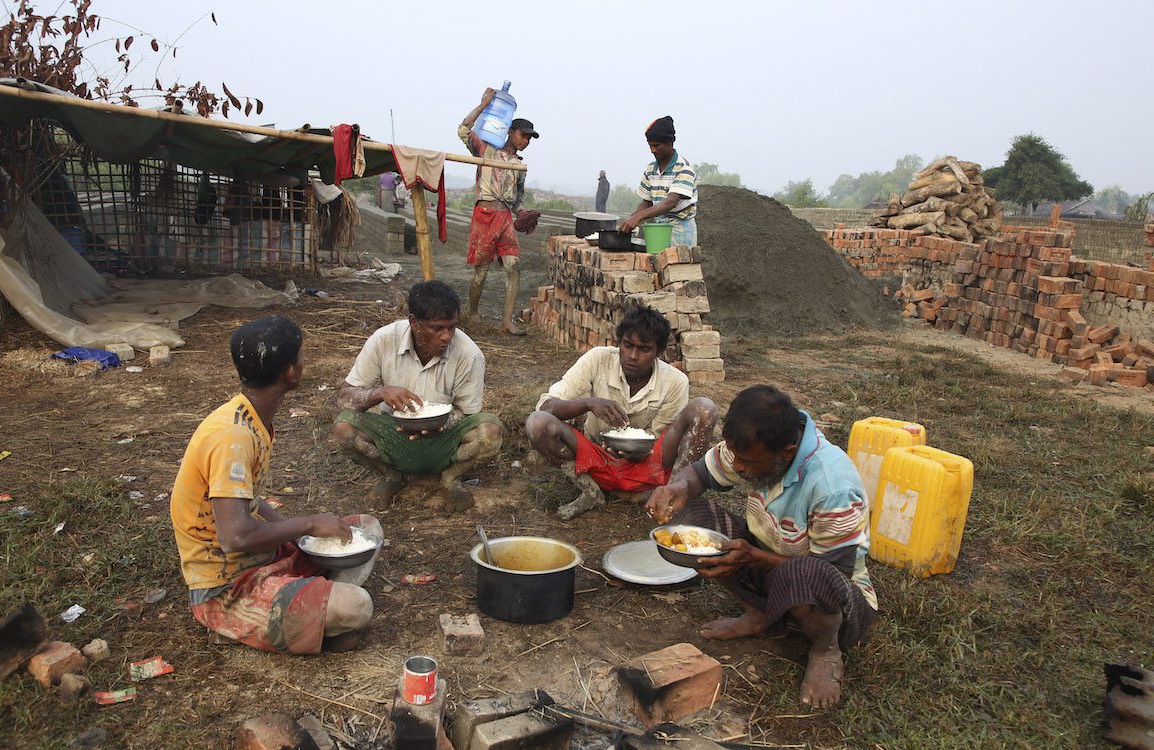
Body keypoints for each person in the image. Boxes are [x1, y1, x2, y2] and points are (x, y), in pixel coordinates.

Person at [644, 385, 878, 710]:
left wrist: (756, 557)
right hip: (772, 569)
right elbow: (700, 473)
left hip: (834, 603)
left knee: (802, 574)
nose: (737, 467)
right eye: (735, 457)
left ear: (787, 452)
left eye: (747, 462)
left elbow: (832, 574)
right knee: (690, 516)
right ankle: (758, 616)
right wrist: (677, 487)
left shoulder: (831, 485)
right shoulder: (752, 443)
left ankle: (825, 652)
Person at [170, 316, 374, 654]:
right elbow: (234, 536)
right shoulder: (232, 436)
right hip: (227, 586)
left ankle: (311, 611)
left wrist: (298, 535)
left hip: (263, 558)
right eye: (301, 357)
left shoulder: (249, 418)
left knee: (366, 528)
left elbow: (248, 501)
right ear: (291, 373)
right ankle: (255, 621)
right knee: (357, 606)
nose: (303, 364)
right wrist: (307, 524)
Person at [526, 307, 717, 520]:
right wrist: (588, 403)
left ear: (659, 351)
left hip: (646, 464)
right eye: (627, 346)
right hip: (596, 457)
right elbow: (546, 406)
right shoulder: (598, 359)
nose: (633, 356)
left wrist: (641, 452)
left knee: (704, 408)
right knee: (537, 423)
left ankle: (671, 499)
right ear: (619, 342)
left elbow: (662, 440)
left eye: (644, 349)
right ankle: (591, 491)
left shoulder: (675, 381)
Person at [333, 280, 503, 512]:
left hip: (443, 437)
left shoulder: (469, 354)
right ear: (413, 322)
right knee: (343, 427)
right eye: (437, 328)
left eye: (452, 327)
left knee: (490, 432)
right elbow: (345, 397)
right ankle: (391, 476)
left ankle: (450, 479)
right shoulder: (384, 340)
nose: (446, 337)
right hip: (393, 430)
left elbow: (469, 413)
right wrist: (380, 393)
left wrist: (440, 424)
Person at [458, 86, 539, 335]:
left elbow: (518, 198)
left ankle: (506, 321)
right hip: (484, 215)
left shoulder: (518, 165)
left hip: (504, 217)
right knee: (480, 272)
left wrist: (522, 212)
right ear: (510, 131)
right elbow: (463, 130)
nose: (526, 141)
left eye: (529, 138)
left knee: (513, 266)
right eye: (523, 136)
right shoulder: (486, 150)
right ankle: (472, 313)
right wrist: (484, 104)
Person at [618, 116, 698, 247]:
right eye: (650, 145)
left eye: (656, 145)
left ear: (669, 143)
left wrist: (638, 217)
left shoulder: (683, 168)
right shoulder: (651, 169)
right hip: (659, 229)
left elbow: (670, 202)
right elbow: (647, 202)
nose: (652, 150)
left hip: (680, 231)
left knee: (678, 266)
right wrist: (631, 220)